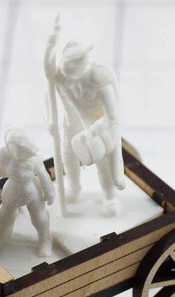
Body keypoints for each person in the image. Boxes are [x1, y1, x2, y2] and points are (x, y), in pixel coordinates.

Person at [45, 22, 126, 214]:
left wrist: (93, 132)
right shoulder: (60, 74)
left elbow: (112, 116)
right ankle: (74, 188)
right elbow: (48, 93)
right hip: (70, 124)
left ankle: (109, 196)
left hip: (95, 126)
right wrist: (50, 119)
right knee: (68, 158)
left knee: (103, 164)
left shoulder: (99, 76)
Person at [0, 126, 56, 257]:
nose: (18, 153)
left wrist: (49, 192)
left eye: (22, 150)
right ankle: (1, 234)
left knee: (39, 218)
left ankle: (45, 239)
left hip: (32, 192)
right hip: (12, 191)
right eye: (15, 149)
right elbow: (2, 171)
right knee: (5, 215)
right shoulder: (5, 155)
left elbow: (44, 176)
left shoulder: (34, 160)